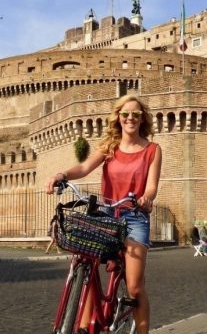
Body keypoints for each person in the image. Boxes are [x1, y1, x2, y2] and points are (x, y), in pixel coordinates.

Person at [45, 94, 161, 334]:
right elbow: (85, 167)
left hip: (134, 217)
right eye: (126, 114)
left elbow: (151, 187)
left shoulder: (152, 150)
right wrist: (62, 175)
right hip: (108, 214)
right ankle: (86, 326)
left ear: (142, 119)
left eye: (136, 115)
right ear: (118, 117)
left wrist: (146, 198)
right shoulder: (109, 147)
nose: (130, 118)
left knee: (135, 287)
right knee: (88, 261)